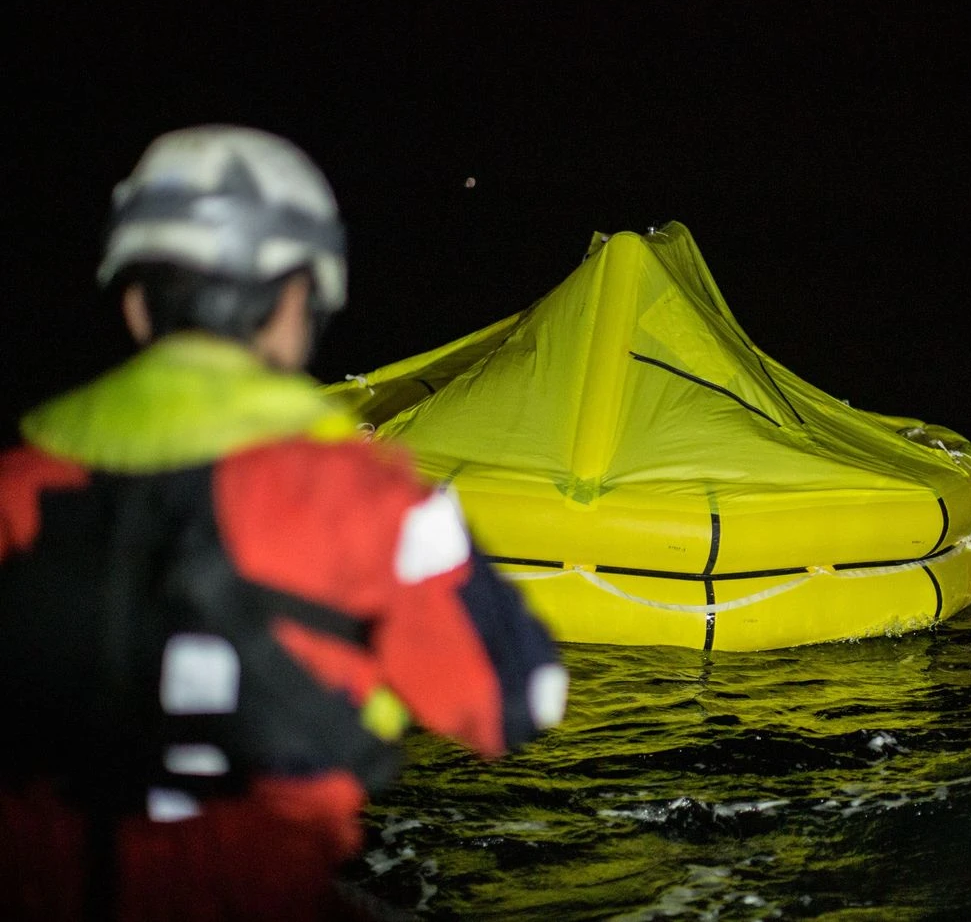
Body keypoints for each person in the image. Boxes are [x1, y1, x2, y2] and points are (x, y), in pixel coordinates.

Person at [0, 125, 568, 921]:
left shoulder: (16, 486)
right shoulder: (365, 497)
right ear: (300, 297)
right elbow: (521, 698)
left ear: (134, 303)